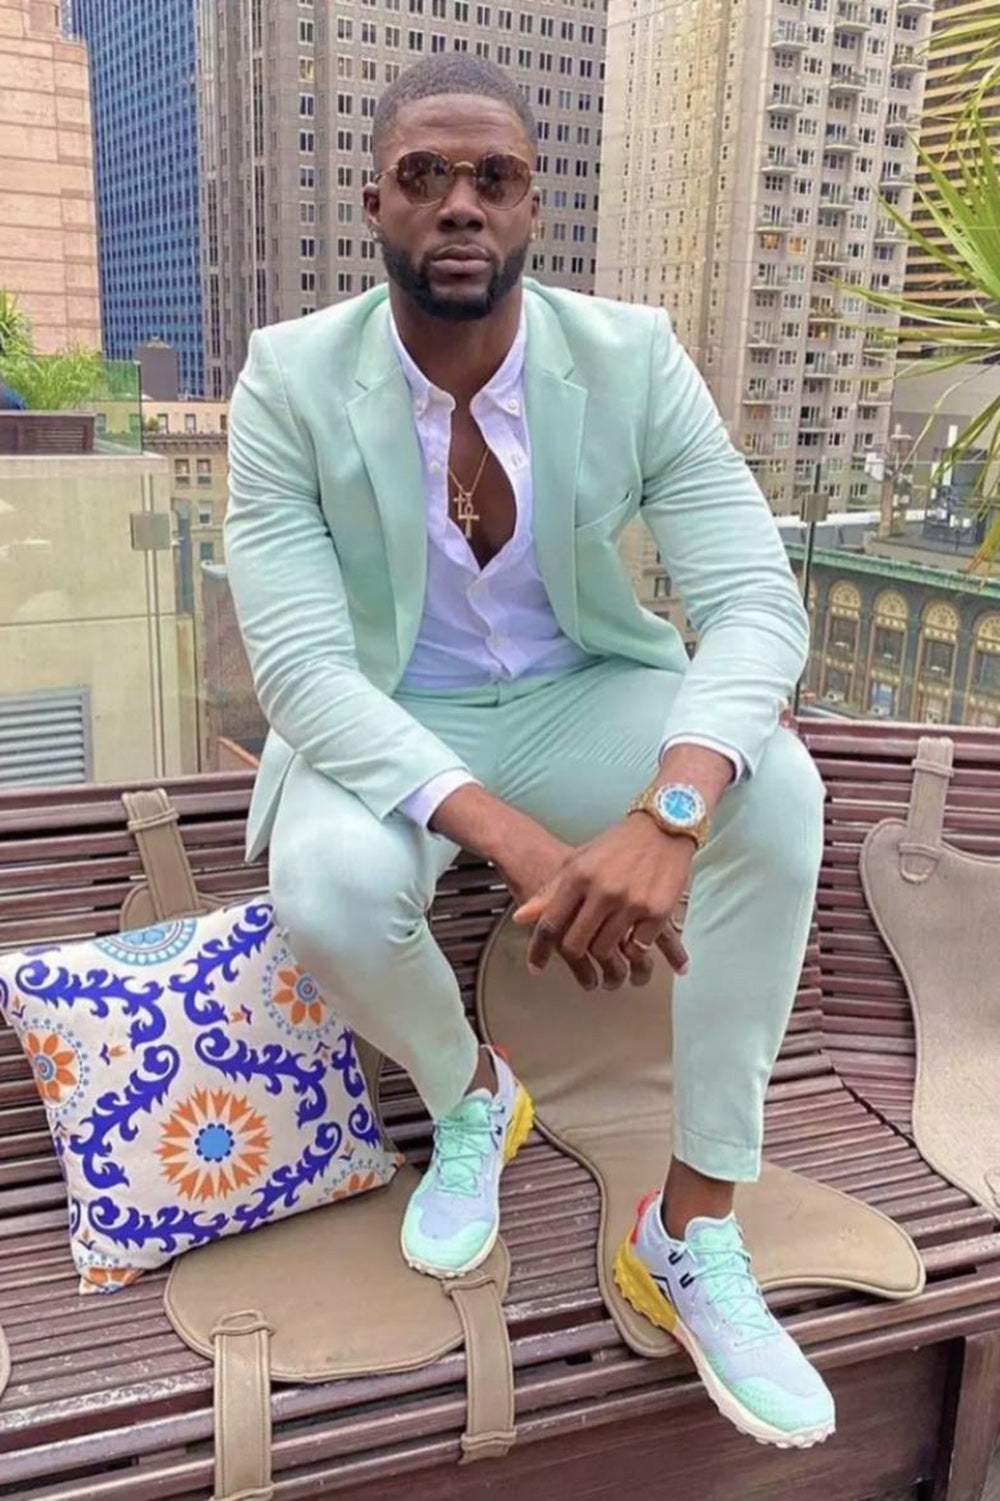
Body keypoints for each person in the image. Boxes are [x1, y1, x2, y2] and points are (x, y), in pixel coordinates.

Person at [224, 55, 834, 1450]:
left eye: (493, 176)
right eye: (425, 175)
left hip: (583, 690)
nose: (460, 204)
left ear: (532, 205)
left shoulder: (631, 357)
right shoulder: (289, 380)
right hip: (394, 708)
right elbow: (304, 671)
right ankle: (474, 1097)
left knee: (778, 792)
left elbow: (754, 601)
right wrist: (521, 844)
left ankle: (690, 1227)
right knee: (325, 888)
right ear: (375, 201)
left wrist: (670, 811)